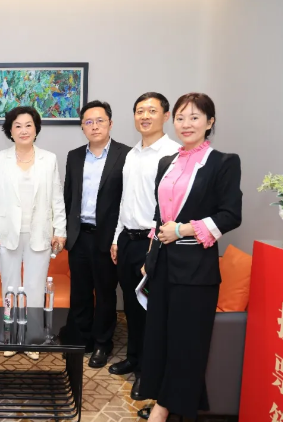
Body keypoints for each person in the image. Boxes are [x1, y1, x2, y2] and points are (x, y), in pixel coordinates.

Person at [137, 93, 242, 421]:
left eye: (195, 117)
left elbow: (230, 215)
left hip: (196, 270)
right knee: (160, 336)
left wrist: (181, 230)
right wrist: (150, 255)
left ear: (210, 122)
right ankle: (165, 398)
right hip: (162, 264)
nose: (186, 124)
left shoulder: (223, 162)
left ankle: (166, 407)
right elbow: (159, 215)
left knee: (187, 342)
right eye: (181, 117)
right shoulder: (166, 163)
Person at [108, 93, 180, 400]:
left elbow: (172, 206)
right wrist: (116, 238)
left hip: (152, 242)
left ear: (165, 116)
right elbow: (125, 200)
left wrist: (154, 248)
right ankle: (133, 358)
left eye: (152, 110)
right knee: (131, 306)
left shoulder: (174, 153)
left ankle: (147, 374)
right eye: (140, 111)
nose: (145, 116)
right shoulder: (132, 154)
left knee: (150, 309)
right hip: (127, 239)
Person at [0, 106, 67, 360]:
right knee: (8, 287)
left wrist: (60, 230)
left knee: (34, 288)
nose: (23, 130)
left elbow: (57, 198)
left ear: (36, 129)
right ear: (10, 131)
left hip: (39, 232)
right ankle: (8, 337)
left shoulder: (49, 159)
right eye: (17, 126)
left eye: (28, 125)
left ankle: (32, 339)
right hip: (6, 233)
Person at [61, 100, 131, 368]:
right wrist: (66, 232)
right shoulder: (74, 156)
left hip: (108, 237)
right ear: (82, 127)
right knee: (79, 291)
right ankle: (82, 339)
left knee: (105, 293)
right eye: (88, 122)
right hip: (79, 235)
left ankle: (103, 343)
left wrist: (117, 238)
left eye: (100, 121)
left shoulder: (126, 155)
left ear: (110, 124)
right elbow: (69, 197)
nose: (94, 126)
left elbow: (127, 199)